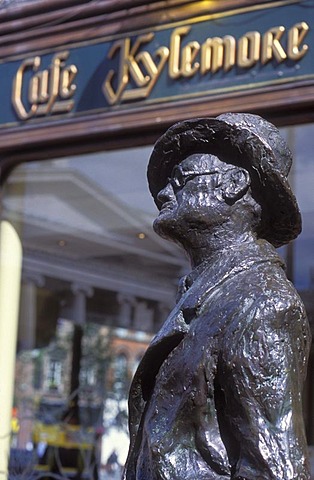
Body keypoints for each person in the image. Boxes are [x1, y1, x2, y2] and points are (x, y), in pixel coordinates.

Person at [123, 113, 311, 479]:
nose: (164, 193)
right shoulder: (206, 297)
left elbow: (275, 471)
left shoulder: (262, 304)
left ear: (235, 183)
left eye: (180, 179)